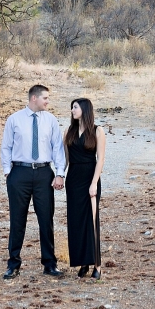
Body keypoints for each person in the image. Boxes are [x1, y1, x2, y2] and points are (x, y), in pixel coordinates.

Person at [0, 84, 66, 279]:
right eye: (45, 98)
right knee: (17, 220)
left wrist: (59, 173)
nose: (48, 101)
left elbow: (57, 148)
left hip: (44, 173)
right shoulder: (15, 119)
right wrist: (7, 172)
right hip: (19, 173)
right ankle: (13, 264)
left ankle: (49, 264)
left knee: (46, 219)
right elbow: (6, 147)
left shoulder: (51, 120)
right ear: (34, 98)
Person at [64, 97, 105, 280]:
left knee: (92, 220)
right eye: (72, 107)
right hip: (73, 180)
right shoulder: (68, 131)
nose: (72, 110)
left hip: (90, 178)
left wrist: (94, 183)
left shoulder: (97, 131)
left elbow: (101, 159)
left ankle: (97, 265)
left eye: (75, 107)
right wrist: (58, 175)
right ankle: (83, 263)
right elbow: (65, 159)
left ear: (85, 109)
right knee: (76, 222)